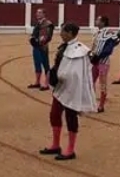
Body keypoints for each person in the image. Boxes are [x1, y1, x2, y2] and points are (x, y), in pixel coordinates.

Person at [40, 23, 97, 161]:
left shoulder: (81, 50)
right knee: (54, 114)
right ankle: (55, 144)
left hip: (73, 88)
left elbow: (82, 70)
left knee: (71, 117)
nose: (61, 33)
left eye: (63, 31)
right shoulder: (64, 47)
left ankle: (70, 149)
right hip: (61, 86)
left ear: (70, 33)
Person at [89, 15, 118, 113]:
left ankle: (101, 105)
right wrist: (91, 56)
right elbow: (94, 47)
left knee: (102, 84)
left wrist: (100, 56)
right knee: (90, 81)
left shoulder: (109, 32)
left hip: (103, 62)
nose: (96, 21)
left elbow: (111, 46)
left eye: (98, 19)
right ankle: (92, 102)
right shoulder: (96, 33)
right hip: (94, 61)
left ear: (103, 22)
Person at [27, 8, 54, 91]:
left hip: (43, 47)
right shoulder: (38, 23)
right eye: (37, 12)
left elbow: (48, 37)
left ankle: (46, 84)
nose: (37, 14)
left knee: (46, 65)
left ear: (44, 14)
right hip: (36, 47)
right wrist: (32, 39)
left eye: (39, 13)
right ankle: (37, 82)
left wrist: (39, 42)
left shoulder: (48, 24)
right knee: (37, 64)